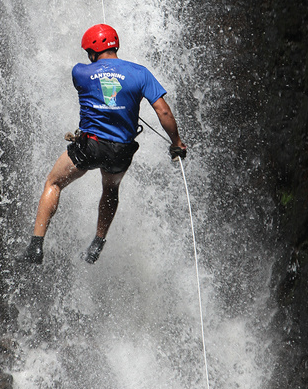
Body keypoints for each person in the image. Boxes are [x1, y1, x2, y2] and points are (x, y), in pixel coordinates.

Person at [22, 23, 186, 265]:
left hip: (90, 147)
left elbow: (95, 82)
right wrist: (177, 143)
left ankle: (36, 246)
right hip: (121, 151)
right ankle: (97, 244)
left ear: (92, 51)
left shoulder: (80, 72)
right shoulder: (141, 73)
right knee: (110, 189)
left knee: (54, 182)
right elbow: (163, 112)